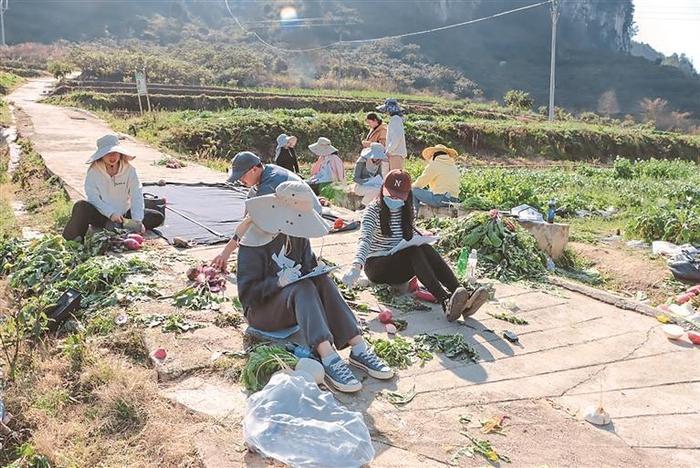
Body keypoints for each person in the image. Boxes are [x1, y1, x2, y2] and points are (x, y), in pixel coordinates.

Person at [237, 181, 393, 393]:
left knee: (321, 280)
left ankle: (357, 346)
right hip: (263, 313)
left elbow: (307, 266)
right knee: (303, 288)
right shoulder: (254, 239)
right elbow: (248, 296)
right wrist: (278, 282)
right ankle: (327, 356)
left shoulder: (297, 233)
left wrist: (318, 268)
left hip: (292, 307)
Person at [343, 170, 488, 322]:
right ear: (383, 188)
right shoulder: (373, 210)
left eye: (399, 196)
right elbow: (364, 239)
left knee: (423, 248)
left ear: (407, 195)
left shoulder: (407, 209)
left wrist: (423, 236)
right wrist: (356, 266)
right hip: (377, 267)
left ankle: (461, 294)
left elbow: (408, 237)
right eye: (390, 194)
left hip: (399, 265)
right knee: (413, 251)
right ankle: (445, 300)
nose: (393, 198)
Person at [211, 151, 321, 270]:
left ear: (254, 169)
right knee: (261, 228)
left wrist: (226, 253)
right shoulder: (263, 175)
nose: (240, 181)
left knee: (268, 231)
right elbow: (247, 218)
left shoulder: (270, 185)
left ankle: (297, 261)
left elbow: (251, 222)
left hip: (308, 215)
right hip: (293, 212)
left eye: (242, 176)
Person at [63, 134, 164, 241]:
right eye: (108, 153)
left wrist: (137, 221)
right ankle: (74, 239)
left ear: (120, 154)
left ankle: (119, 227)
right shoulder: (94, 171)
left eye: (115, 153)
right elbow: (93, 197)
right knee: (80, 206)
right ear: (101, 155)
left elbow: (136, 195)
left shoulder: (130, 170)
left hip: (124, 215)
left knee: (157, 217)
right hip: (102, 215)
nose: (112, 157)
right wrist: (110, 214)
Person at [412, 144, 461, 216]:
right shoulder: (453, 166)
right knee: (429, 190)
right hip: (454, 199)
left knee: (412, 190)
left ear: (434, 155)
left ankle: (413, 217)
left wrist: (411, 186)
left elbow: (419, 184)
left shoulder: (434, 164)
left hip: (441, 199)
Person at [376, 98, 407, 171]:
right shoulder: (396, 119)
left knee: (395, 178)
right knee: (393, 178)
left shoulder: (395, 119)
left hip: (395, 154)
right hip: (395, 154)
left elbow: (396, 139)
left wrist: (388, 151)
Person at [353, 142, 387, 206]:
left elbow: (379, 176)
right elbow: (355, 178)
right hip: (360, 186)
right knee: (375, 191)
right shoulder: (361, 161)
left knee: (382, 190)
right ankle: (363, 205)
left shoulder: (378, 163)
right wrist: (367, 182)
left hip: (373, 185)